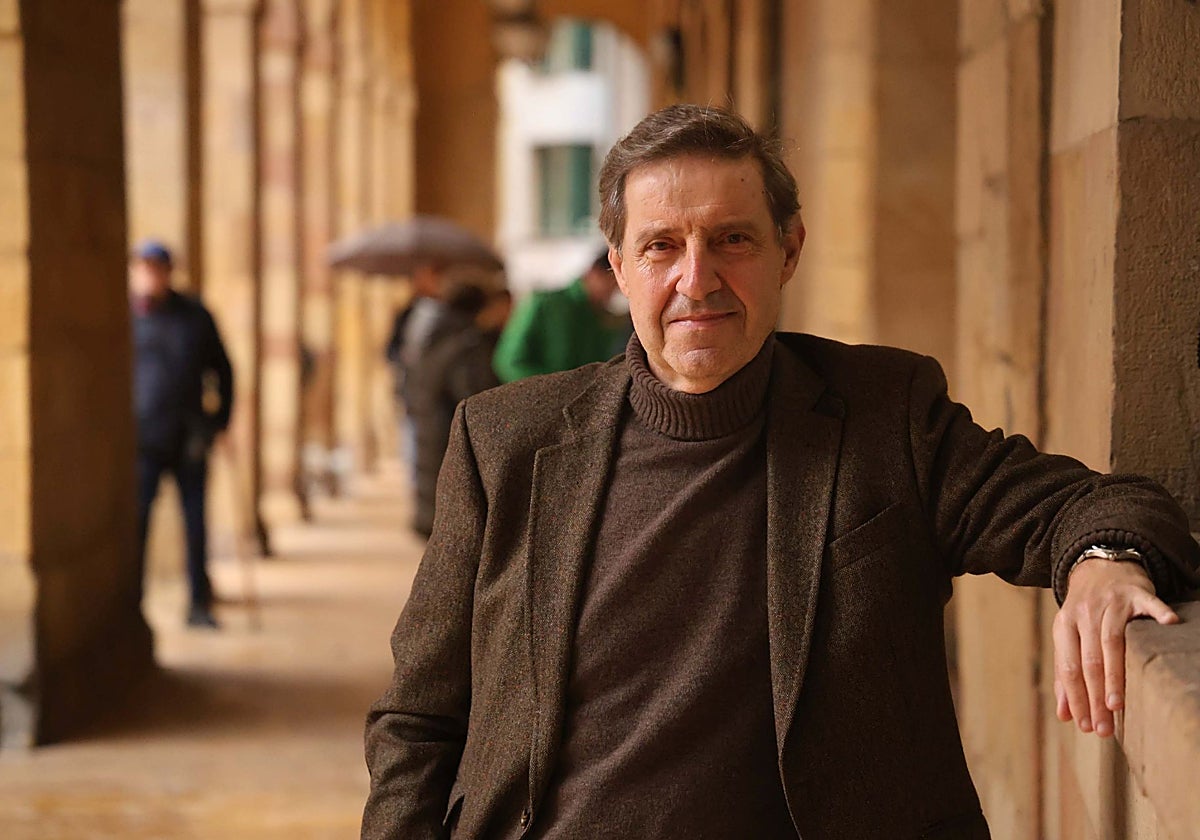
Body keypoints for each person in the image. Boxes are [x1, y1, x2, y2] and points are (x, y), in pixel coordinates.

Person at [361, 106, 1200, 839]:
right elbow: (419, 718)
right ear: (617, 267)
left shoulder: (883, 418)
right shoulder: (506, 440)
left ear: (788, 249)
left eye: (732, 239)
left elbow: (1099, 503)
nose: (699, 279)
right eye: (662, 246)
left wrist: (1103, 563)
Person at [130, 240, 233, 629]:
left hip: (189, 437)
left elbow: (223, 369)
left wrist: (218, 421)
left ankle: (198, 604)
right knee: (137, 524)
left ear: (169, 272)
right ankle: (132, 604)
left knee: (195, 524)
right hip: (143, 441)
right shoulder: (126, 317)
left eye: (157, 268)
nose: (151, 275)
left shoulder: (194, 316)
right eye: (144, 267)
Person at [403, 282, 500, 537]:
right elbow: (473, 395)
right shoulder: (466, 342)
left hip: (429, 420)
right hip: (447, 425)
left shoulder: (433, 330)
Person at [491, 251, 632, 382]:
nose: (611, 294)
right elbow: (508, 362)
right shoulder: (545, 304)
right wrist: (551, 388)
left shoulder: (604, 318)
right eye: (610, 285)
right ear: (594, 274)